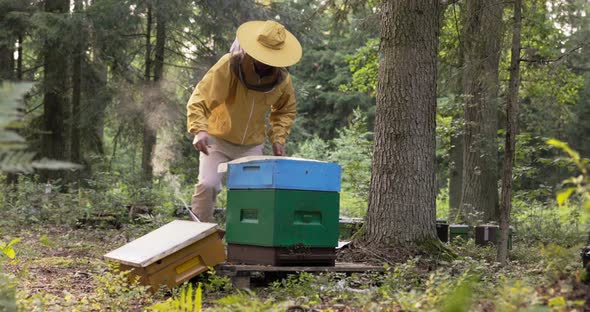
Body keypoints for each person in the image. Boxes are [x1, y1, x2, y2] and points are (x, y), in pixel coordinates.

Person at [186, 20, 302, 222]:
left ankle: (246, 244)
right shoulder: (229, 65)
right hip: (218, 140)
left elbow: (285, 111)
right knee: (208, 185)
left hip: (251, 146)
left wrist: (278, 139)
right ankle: (199, 239)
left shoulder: (283, 80)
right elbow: (200, 97)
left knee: (252, 196)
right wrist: (199, 129)